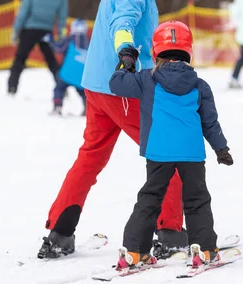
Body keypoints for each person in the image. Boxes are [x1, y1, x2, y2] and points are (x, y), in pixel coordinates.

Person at [37, 0, 188, 259]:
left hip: (97, 86)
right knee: (169, 150)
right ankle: (171, 232)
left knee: (91, 156)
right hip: (124, 87)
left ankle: (60, 232)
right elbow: (122, 23)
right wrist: (126, 52)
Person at [108, 20, 234, 269]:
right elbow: (210, 123)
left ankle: (135, 251)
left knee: (150, 198)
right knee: (197, 200)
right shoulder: (200, 85)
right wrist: (221, 149)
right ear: (188, 50)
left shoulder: (146, 79)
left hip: (159, 152)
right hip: (191, 154)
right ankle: (205, 249)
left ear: (156, 51)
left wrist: (127, 62)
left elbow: (116, 83)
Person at [8, 0, 68, 96]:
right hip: (46, 32)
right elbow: (62, 17)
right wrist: (62, 34)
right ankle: (62, 87)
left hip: (29, 31)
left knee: (20, 59)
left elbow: (23, 12)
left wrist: (15, 30)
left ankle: (12, 87)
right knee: (52, 61)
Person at [43, 19, 89, 116]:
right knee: (83, 92)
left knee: (59, 88)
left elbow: (59, 48)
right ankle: (87, 108)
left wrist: (51, 40)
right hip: (82, 75)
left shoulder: (70, 39)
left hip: (67, 73)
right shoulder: (89, 42)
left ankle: (57, 107)